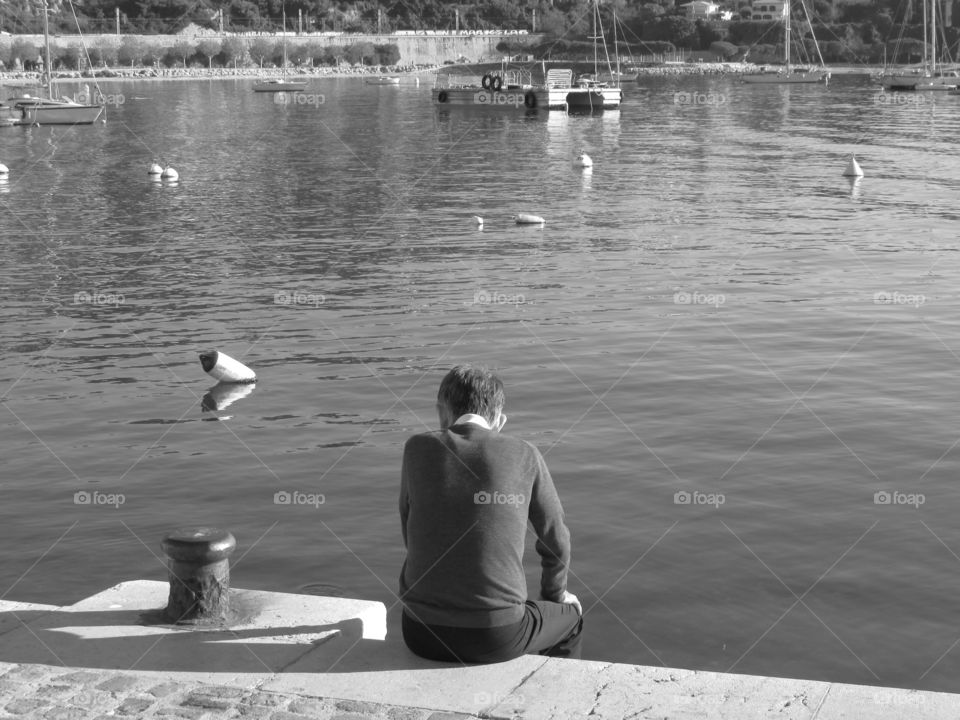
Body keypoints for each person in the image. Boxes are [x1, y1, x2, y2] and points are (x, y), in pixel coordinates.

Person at [398, 364, 583, 663]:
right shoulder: (525, 453)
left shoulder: (416, 448)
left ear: (441, 412)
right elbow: (556, 538)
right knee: (571, 617)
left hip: (420, 634)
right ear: (499, 420)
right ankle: (548, 685)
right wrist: (554, 595)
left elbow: (409, 525)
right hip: (496, 636)